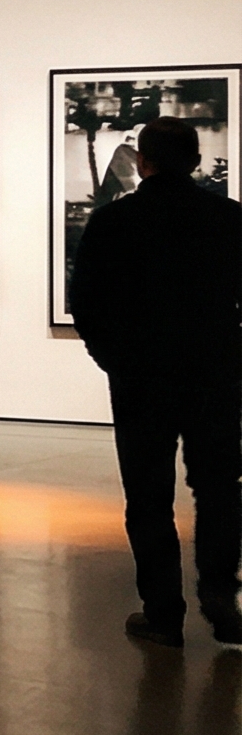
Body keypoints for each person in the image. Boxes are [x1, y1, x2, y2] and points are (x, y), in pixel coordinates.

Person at [72, 116, 242, 650]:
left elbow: (87, 303)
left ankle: (163, 614)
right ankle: (220, 596)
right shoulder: (230, 219)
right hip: (215, 376)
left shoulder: (114, 222)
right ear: (194, 162)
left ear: (142, 162)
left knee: (147, 496)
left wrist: (112, 359)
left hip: (141, 379)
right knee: (217, 490)